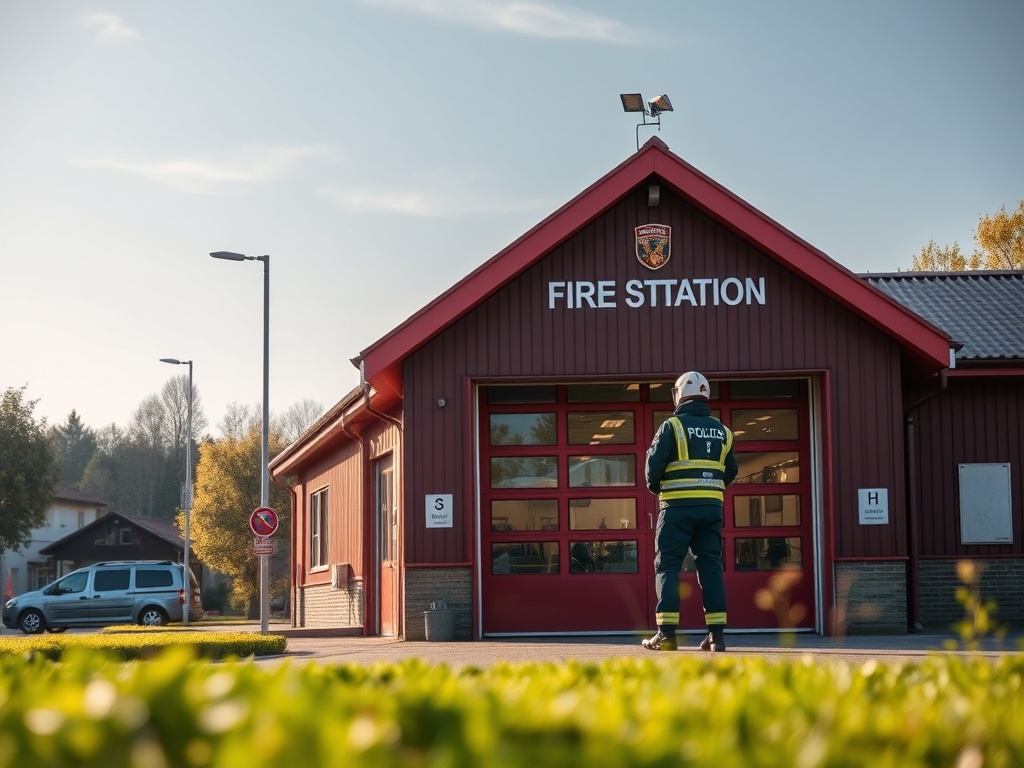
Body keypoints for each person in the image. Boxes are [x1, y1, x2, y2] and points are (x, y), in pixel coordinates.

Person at [642, 371, 738, 652]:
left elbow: (652, 470)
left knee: (668, 565)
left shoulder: (672, 426)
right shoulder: (723, 430)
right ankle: (716, 636)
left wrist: (661, 490)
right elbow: (731, 470)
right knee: (710, 566)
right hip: (711, 509)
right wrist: (709, 488)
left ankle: (666, 634)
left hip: (676, 509)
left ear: (679, 394)